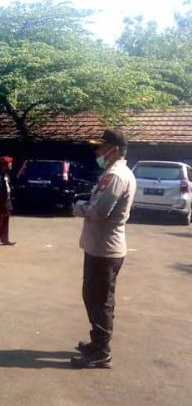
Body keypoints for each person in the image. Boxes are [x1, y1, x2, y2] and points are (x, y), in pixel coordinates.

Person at [70, 129, 136, 369]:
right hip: (99, 247)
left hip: (105, 250)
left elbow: (98, 211)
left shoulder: (117, 176)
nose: (97, 151)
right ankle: (97, 343)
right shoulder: (111, 173)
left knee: (100, 301)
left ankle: (101, 352)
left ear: (114, 150)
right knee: (94, 298)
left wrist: (78, 206)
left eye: (101, 147)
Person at [0, 156, 16, 248]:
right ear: (5, 165)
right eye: (9, 164)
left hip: (7, 199)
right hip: (0, 200)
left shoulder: (6, 174)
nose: (11, 166)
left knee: (6, 219)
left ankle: (5, 239)